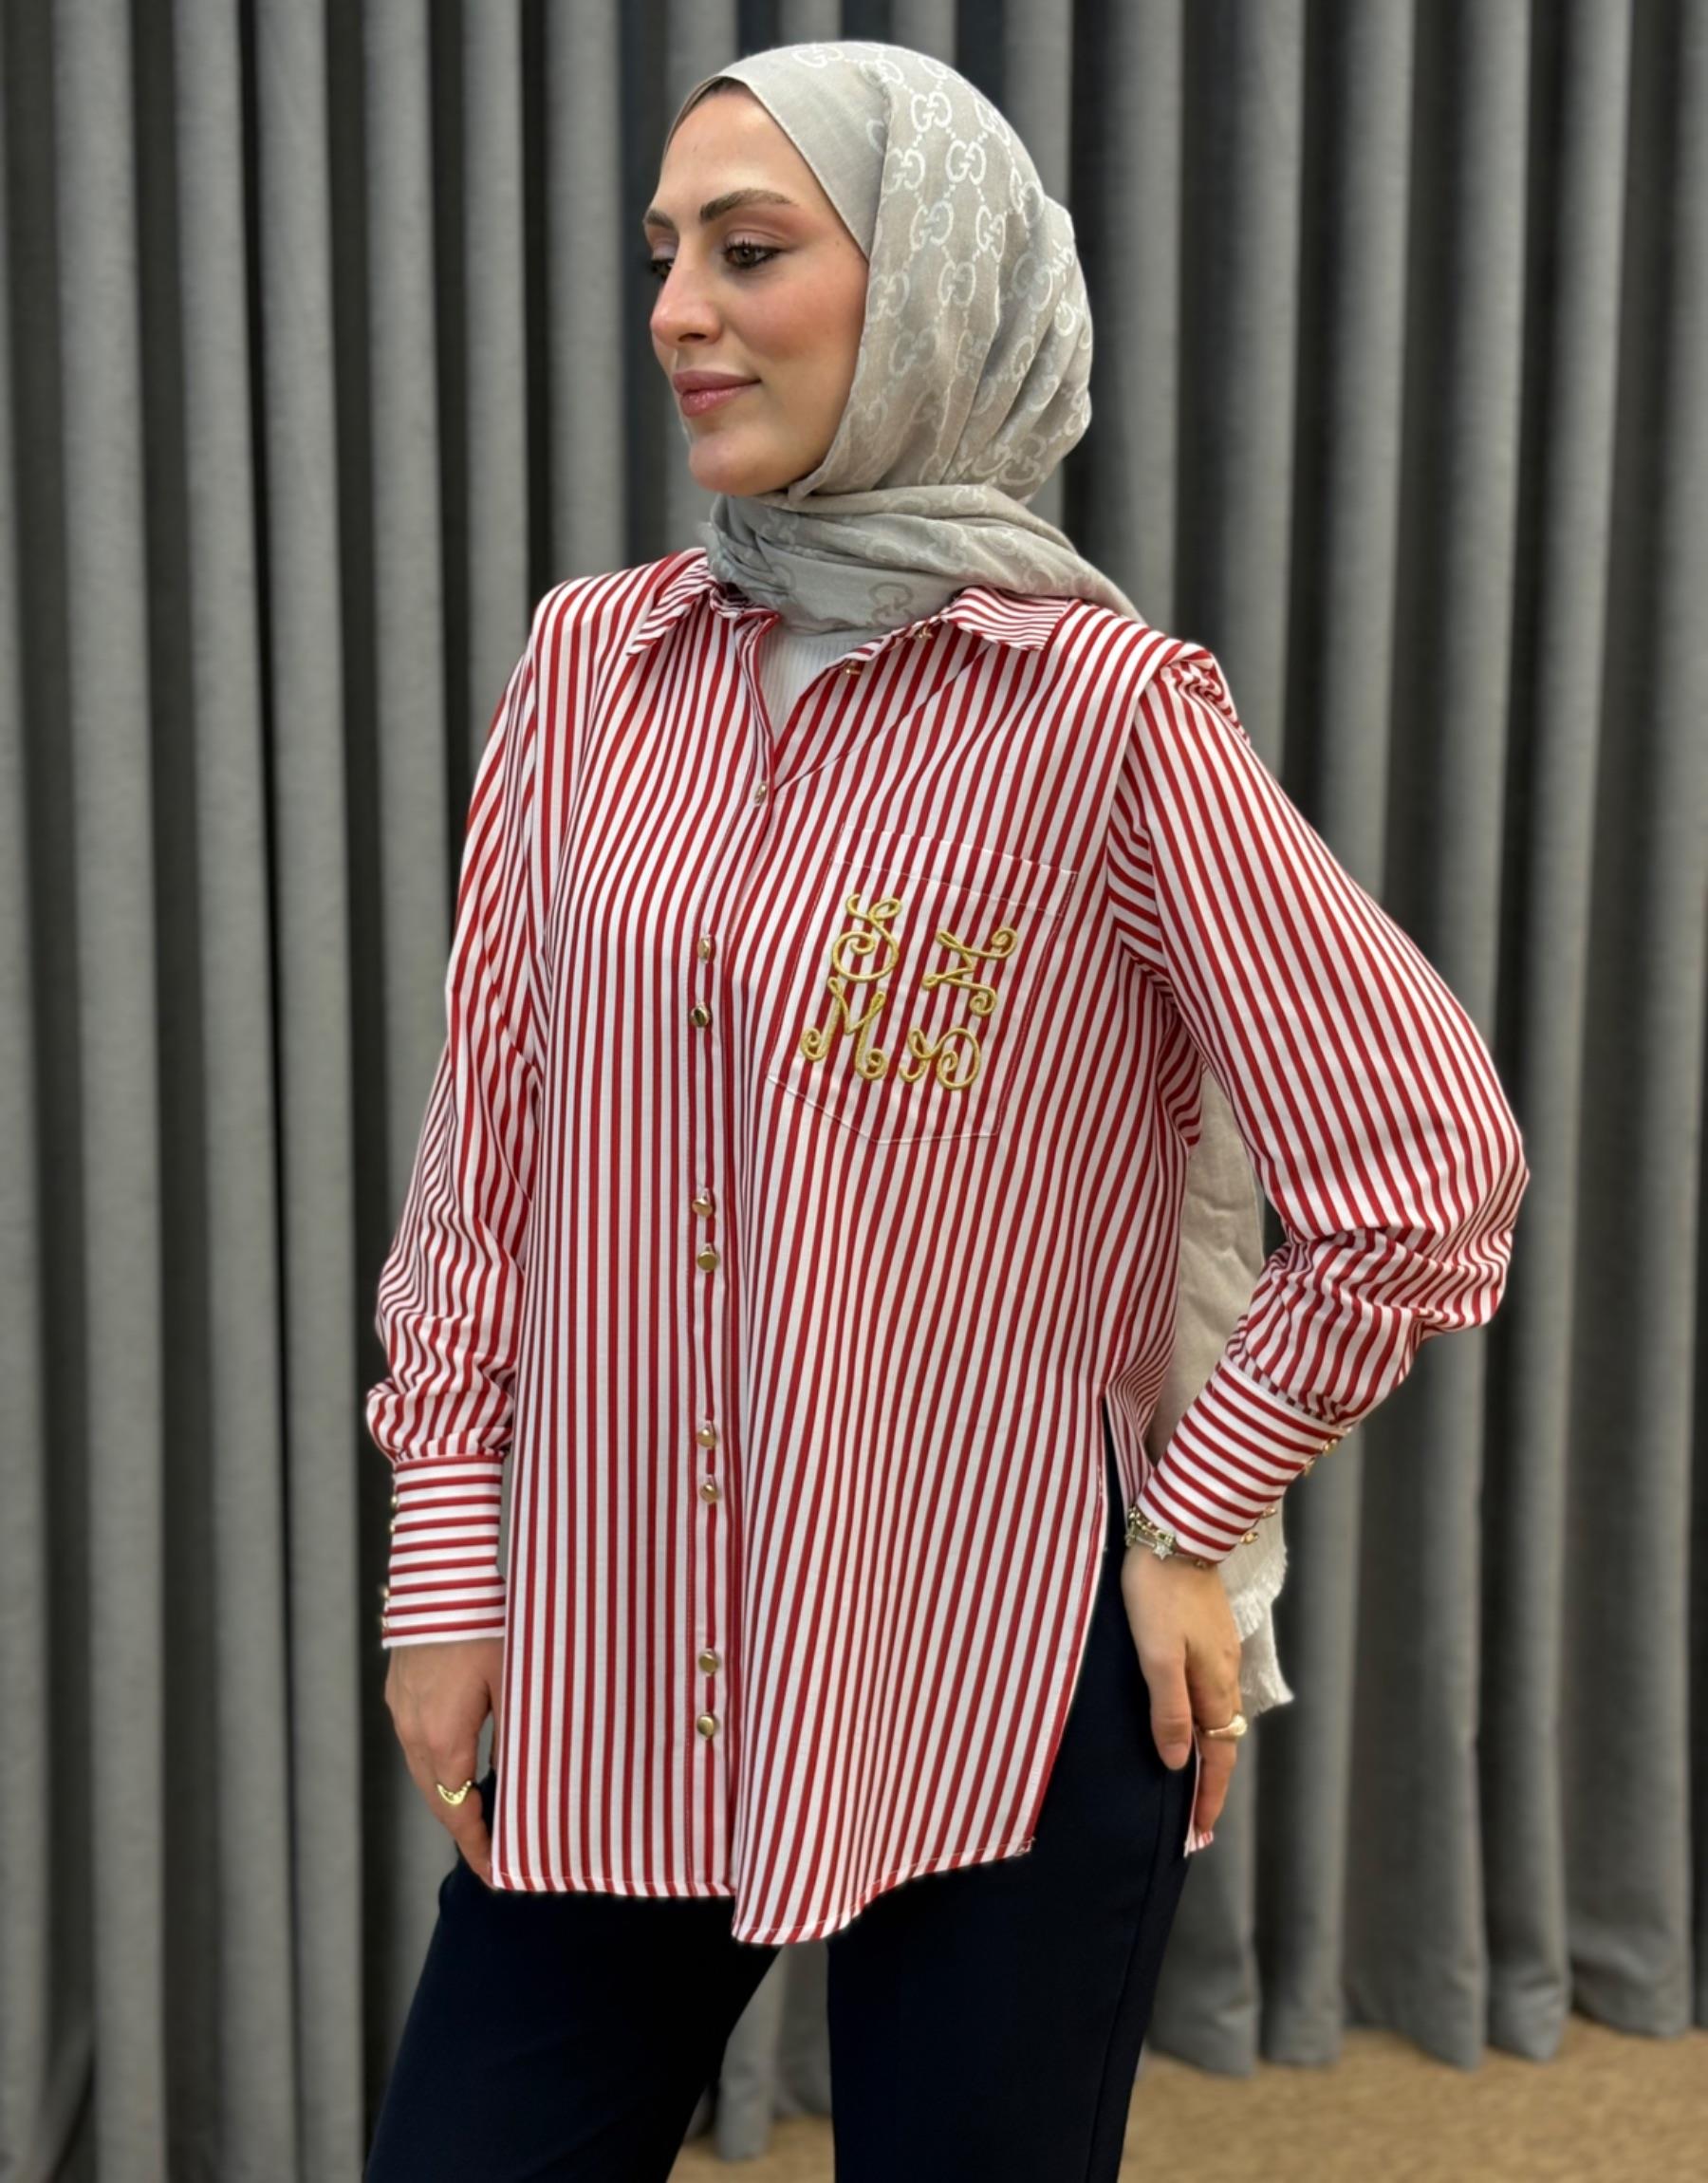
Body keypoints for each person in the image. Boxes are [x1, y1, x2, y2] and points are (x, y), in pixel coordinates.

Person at [362, 40, 1529, 2181]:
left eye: (748, 251)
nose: (677, 311)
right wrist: (447, 1560)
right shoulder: (590, 669)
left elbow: (1425, 1166)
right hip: (623, 1641)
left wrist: (1189, 1521)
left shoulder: (1103, 716)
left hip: (999, 1665)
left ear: (929, 289)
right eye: (661, 255)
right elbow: (483, 1165)